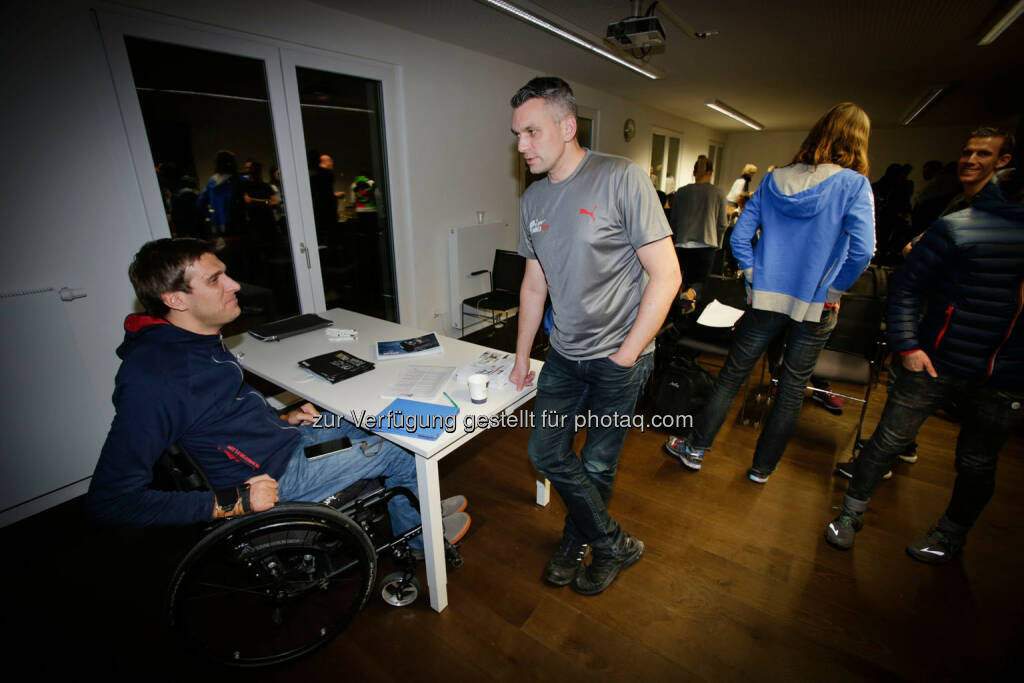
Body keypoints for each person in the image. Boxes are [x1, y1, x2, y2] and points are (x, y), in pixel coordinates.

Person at [87, 238, 470, 553]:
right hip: (275, 475)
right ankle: (423, 542)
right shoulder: (155, 379)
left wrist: (280, 419)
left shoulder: (189, 342)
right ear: (176, 300)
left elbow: (219, 418)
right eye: (215, 279)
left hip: (281, 442)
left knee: (373, 415)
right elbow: (111, 500)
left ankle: (420, 508)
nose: (234, 284)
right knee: (403, 448)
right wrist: (230, 503)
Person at [507, 77, 680, 595]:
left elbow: (667, 275)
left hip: (620, 356)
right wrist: (521, 357)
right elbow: (534, 284)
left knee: (599, 463)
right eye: (517, 134)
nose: (521, 146)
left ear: (567, 126)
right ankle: (611, 542)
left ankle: (576, 540)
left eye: (531, 132)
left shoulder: (620, 177)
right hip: (563, 353)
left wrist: (626, 355)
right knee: (545, 454)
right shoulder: (533, 199)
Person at [824, 156, 1023, 564]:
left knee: (977, 462)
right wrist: (909, 345)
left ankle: (951, 533)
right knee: (887, 442)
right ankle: (849, 513)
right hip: (935, 361)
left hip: (1006, 378)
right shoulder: (959, 227)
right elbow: (906, 287)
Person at [664, 102, 875, 483]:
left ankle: (694, 448)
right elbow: (862, 251)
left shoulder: (776, 179)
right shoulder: (853, 185)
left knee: (731, 376)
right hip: (816, 305)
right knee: (791, 387)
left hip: (765, 300)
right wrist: (834, 290)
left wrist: (752, 277)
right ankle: (762, 469)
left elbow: (740, 237)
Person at [902, 128, 1014, 256]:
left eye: (983, 154)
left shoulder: (1004, 205)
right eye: (967, 153)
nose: (971, 161)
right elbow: (920, 242)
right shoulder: (959, 200)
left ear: (1002, 160)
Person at [669, 155, 728, 307]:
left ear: (694, 172)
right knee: (699, 282)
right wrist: (718, 244)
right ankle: (690, 299)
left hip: (682, 244)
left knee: (679, 280)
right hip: (706, 244)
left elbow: (673, 221)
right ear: (710, 172)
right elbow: (722, 223)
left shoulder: (681, 192)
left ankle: (677, 310)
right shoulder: (718, 193)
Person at [196, 150, 243, 236]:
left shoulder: (212, 181)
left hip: (216, 224)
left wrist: (211, 215)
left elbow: (200, 202)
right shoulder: (237, 180)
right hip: (235, 223)